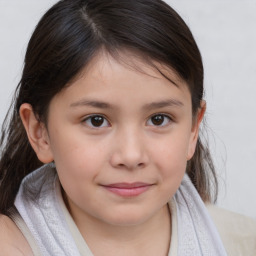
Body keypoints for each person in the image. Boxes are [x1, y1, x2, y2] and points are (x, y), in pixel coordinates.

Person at [0, 0, 255, 255]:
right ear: (39, 131)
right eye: (96, 120)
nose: (131, 156)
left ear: (192, 129)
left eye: (159, 119)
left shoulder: (242, 243)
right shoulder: (12, 245)